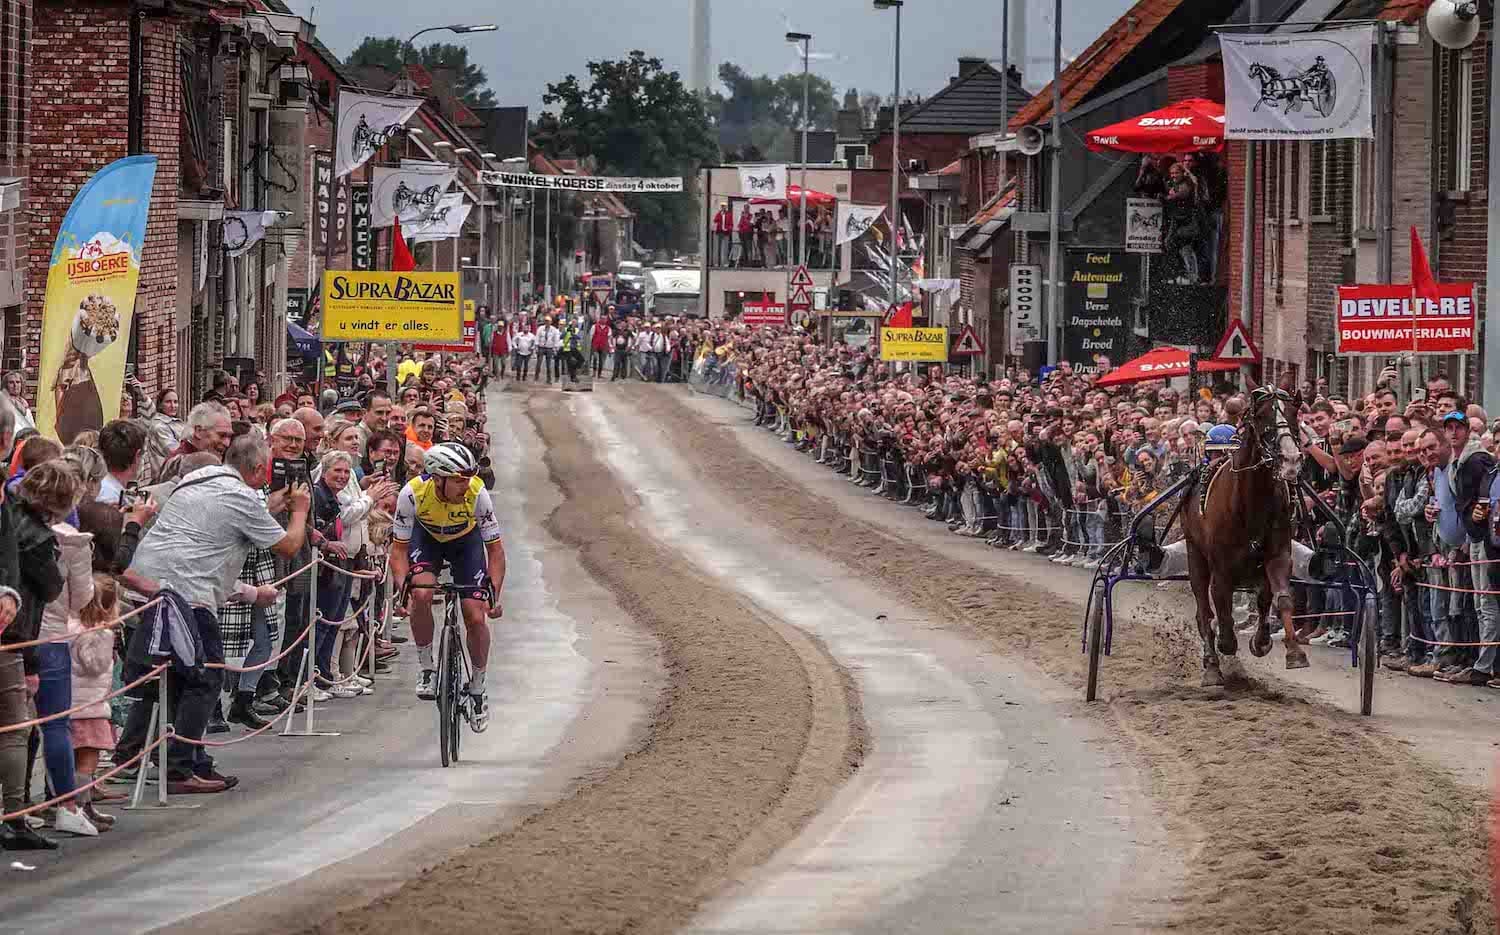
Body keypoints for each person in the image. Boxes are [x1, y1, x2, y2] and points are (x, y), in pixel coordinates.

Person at [125, 435, 310, 793]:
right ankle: (181, 769)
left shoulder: (202, 477)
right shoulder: (241, 497)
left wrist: (272, 504)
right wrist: (299, 511)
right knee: (206, 678)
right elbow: (288, 546)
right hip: (188, 592)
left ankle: (179, 759)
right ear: (257, 469)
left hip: (149, 579)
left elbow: (236, 514)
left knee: (176, 678)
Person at [389, 442, 505, 732]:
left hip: (466, 543)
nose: (465, 485)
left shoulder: (478, 493)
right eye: (457, 480)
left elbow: (496, 552)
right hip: (426, 540)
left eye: (467, 478)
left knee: (475, 615)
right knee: (422, 592)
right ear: (437, 478)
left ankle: (477, 687)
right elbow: (399, 551)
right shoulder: (411, 494)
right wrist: (402, 589)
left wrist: (493, 596)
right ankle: (427, 667)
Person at [27, 460, 98, 837]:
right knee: (55, 725)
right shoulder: (72, 540)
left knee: (17, 729)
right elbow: (82, 597)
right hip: (51, 638)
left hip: (17, 636)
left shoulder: (13, 527)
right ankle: (66, 805)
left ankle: (20, 803)